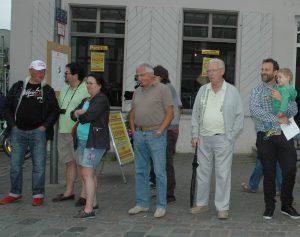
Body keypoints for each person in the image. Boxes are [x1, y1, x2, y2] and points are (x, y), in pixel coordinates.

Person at [0, 60, 59, 206]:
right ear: (30, 71)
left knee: (39, 165)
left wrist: (45, 127)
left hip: (38, 132)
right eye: (38, 71)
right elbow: (7, 107)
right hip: (18, 131)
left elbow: (54, 110)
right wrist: (12, 125)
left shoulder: (47, 90)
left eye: (43, 71)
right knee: (15, 165)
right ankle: (15, 193)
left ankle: (38, 194)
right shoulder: (18, 86)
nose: (41, 74)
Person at [190, 58, 244, 220]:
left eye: (214, 70)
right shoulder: (203, 90)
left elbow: (239, 117)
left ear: (222, 71)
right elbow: (195, 114)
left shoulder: (232, 91)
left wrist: (231, 137)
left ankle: (222, 207)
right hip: (203, 139)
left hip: (223, 139)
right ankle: (201, 204)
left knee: (223, 174)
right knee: (202, 172)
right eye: (209, 71)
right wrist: (195, 134)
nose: (210, 73)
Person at [249, 58, 300, 220]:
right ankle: (269, 206)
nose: (263, 72)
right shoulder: (257, 90)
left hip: (284, 134)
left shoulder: (285, 89)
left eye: (267, 69)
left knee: (290, 169)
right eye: (262, 69)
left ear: (276, 72)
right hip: (265, 134)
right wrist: (277, 119)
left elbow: (294, 109)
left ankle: (286, 205)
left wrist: (280, 99)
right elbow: (255, 111)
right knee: (269, 172)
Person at [128, 63, 173, 218]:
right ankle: (142, 204)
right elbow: (132, 112)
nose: (139, 78)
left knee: (159, 171)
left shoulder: (163, 89)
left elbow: (170, 112)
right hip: (140, 134)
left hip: (156, 135)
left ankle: (161, 205)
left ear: (151, 75)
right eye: (137, 76)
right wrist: (133, 130)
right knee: (140, 171)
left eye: (141, 75)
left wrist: (161, 130)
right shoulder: (137, 91)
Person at [71, 73, 110, 219]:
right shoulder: (87, 99)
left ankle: (88, 210)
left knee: (87, 174)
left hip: (94, 141)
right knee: (89, 173)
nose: (88, 85)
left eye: (91, 83)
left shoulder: (101, 99)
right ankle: (93, 203)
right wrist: (79, 112)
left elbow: (89, 116)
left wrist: (80, 113)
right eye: (87, 83)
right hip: (83, 140)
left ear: (99, 85)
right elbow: (71, 114)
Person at [52, 63, 90, 205]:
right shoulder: (65, 88)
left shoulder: (86, 89)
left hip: (77, 132)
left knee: (82, 164)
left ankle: (84, 194)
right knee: (69, 163)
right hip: (63, 129)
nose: (65, 75)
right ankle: (69, 192)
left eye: (67, 73)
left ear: (75, 74)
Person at [149, 65, 182, 203]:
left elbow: (163, 109)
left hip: (168, 130)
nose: (152, 79)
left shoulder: (166, 88)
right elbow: (180, 106)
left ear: (160, 77)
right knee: (161, 162)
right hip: (168, 129)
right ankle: (164, 191)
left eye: (154, 76)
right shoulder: (168, 87)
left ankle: (169, 194)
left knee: (166, 162)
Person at [264, 68, 297, 139]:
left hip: (280, 110)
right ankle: (297, 136)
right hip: (277, 109)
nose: (278, 79)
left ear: (288, 78)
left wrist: (281, 112)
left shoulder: (285, 90)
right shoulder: (280, 87)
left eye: (280, 77)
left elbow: (284, 101)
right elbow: (274, 91)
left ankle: (271, 132)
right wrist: (269, 95)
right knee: (287, 125)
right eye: (277, 77)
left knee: (271, 121)